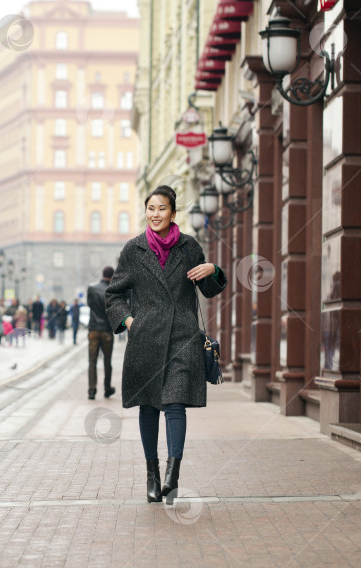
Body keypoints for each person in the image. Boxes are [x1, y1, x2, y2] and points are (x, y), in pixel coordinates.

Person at [105, 185, 226, 504]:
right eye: (151, 208)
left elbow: (210, 291)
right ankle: (152, 474)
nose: (155, 214)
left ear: (173, 213)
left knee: (174, 404)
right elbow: (114, 294)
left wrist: (214, 270)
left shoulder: (189, 247)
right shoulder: (134, 250)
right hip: (146, 340)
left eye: (162, 208)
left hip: (183, 338)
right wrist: (132, 323)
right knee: (149, 405)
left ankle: (173, 473)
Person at [87, 266, 116, 400]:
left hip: (93, 328)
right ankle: (107, 388)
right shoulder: (112, 289)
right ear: (112, 276)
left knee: (92, 361)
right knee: (107, 361)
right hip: (106, 330)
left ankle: (92, 390)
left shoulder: (91, 288)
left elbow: (89, 304)